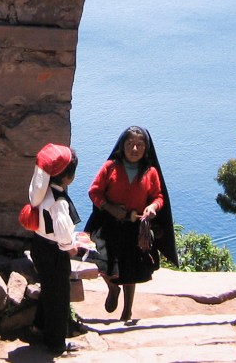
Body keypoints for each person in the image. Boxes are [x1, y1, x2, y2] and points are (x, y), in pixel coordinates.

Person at [85, 126, 178, 323]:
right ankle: (112, 287)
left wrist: (153, 207)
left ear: (146, 148)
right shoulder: (110, 167)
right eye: (129, 144)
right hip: (109, 226)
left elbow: (158, 196)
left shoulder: (150, 172)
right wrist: (109, 207)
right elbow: (94, 191)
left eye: (139, 145)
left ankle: (127, 311)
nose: (134, 149)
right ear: (122, 146)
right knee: (101, 261)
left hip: (134, 228)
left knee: (130, 269)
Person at [26, 143, 82, 356]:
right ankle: (56, 342)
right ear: (68, 177)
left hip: (39, 246)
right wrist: (71, 248)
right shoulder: (59, 201)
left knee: (49, 290)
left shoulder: (42, 192)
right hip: (54, 252)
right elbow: (62, 230)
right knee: (59, 297)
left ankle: (38, 326)